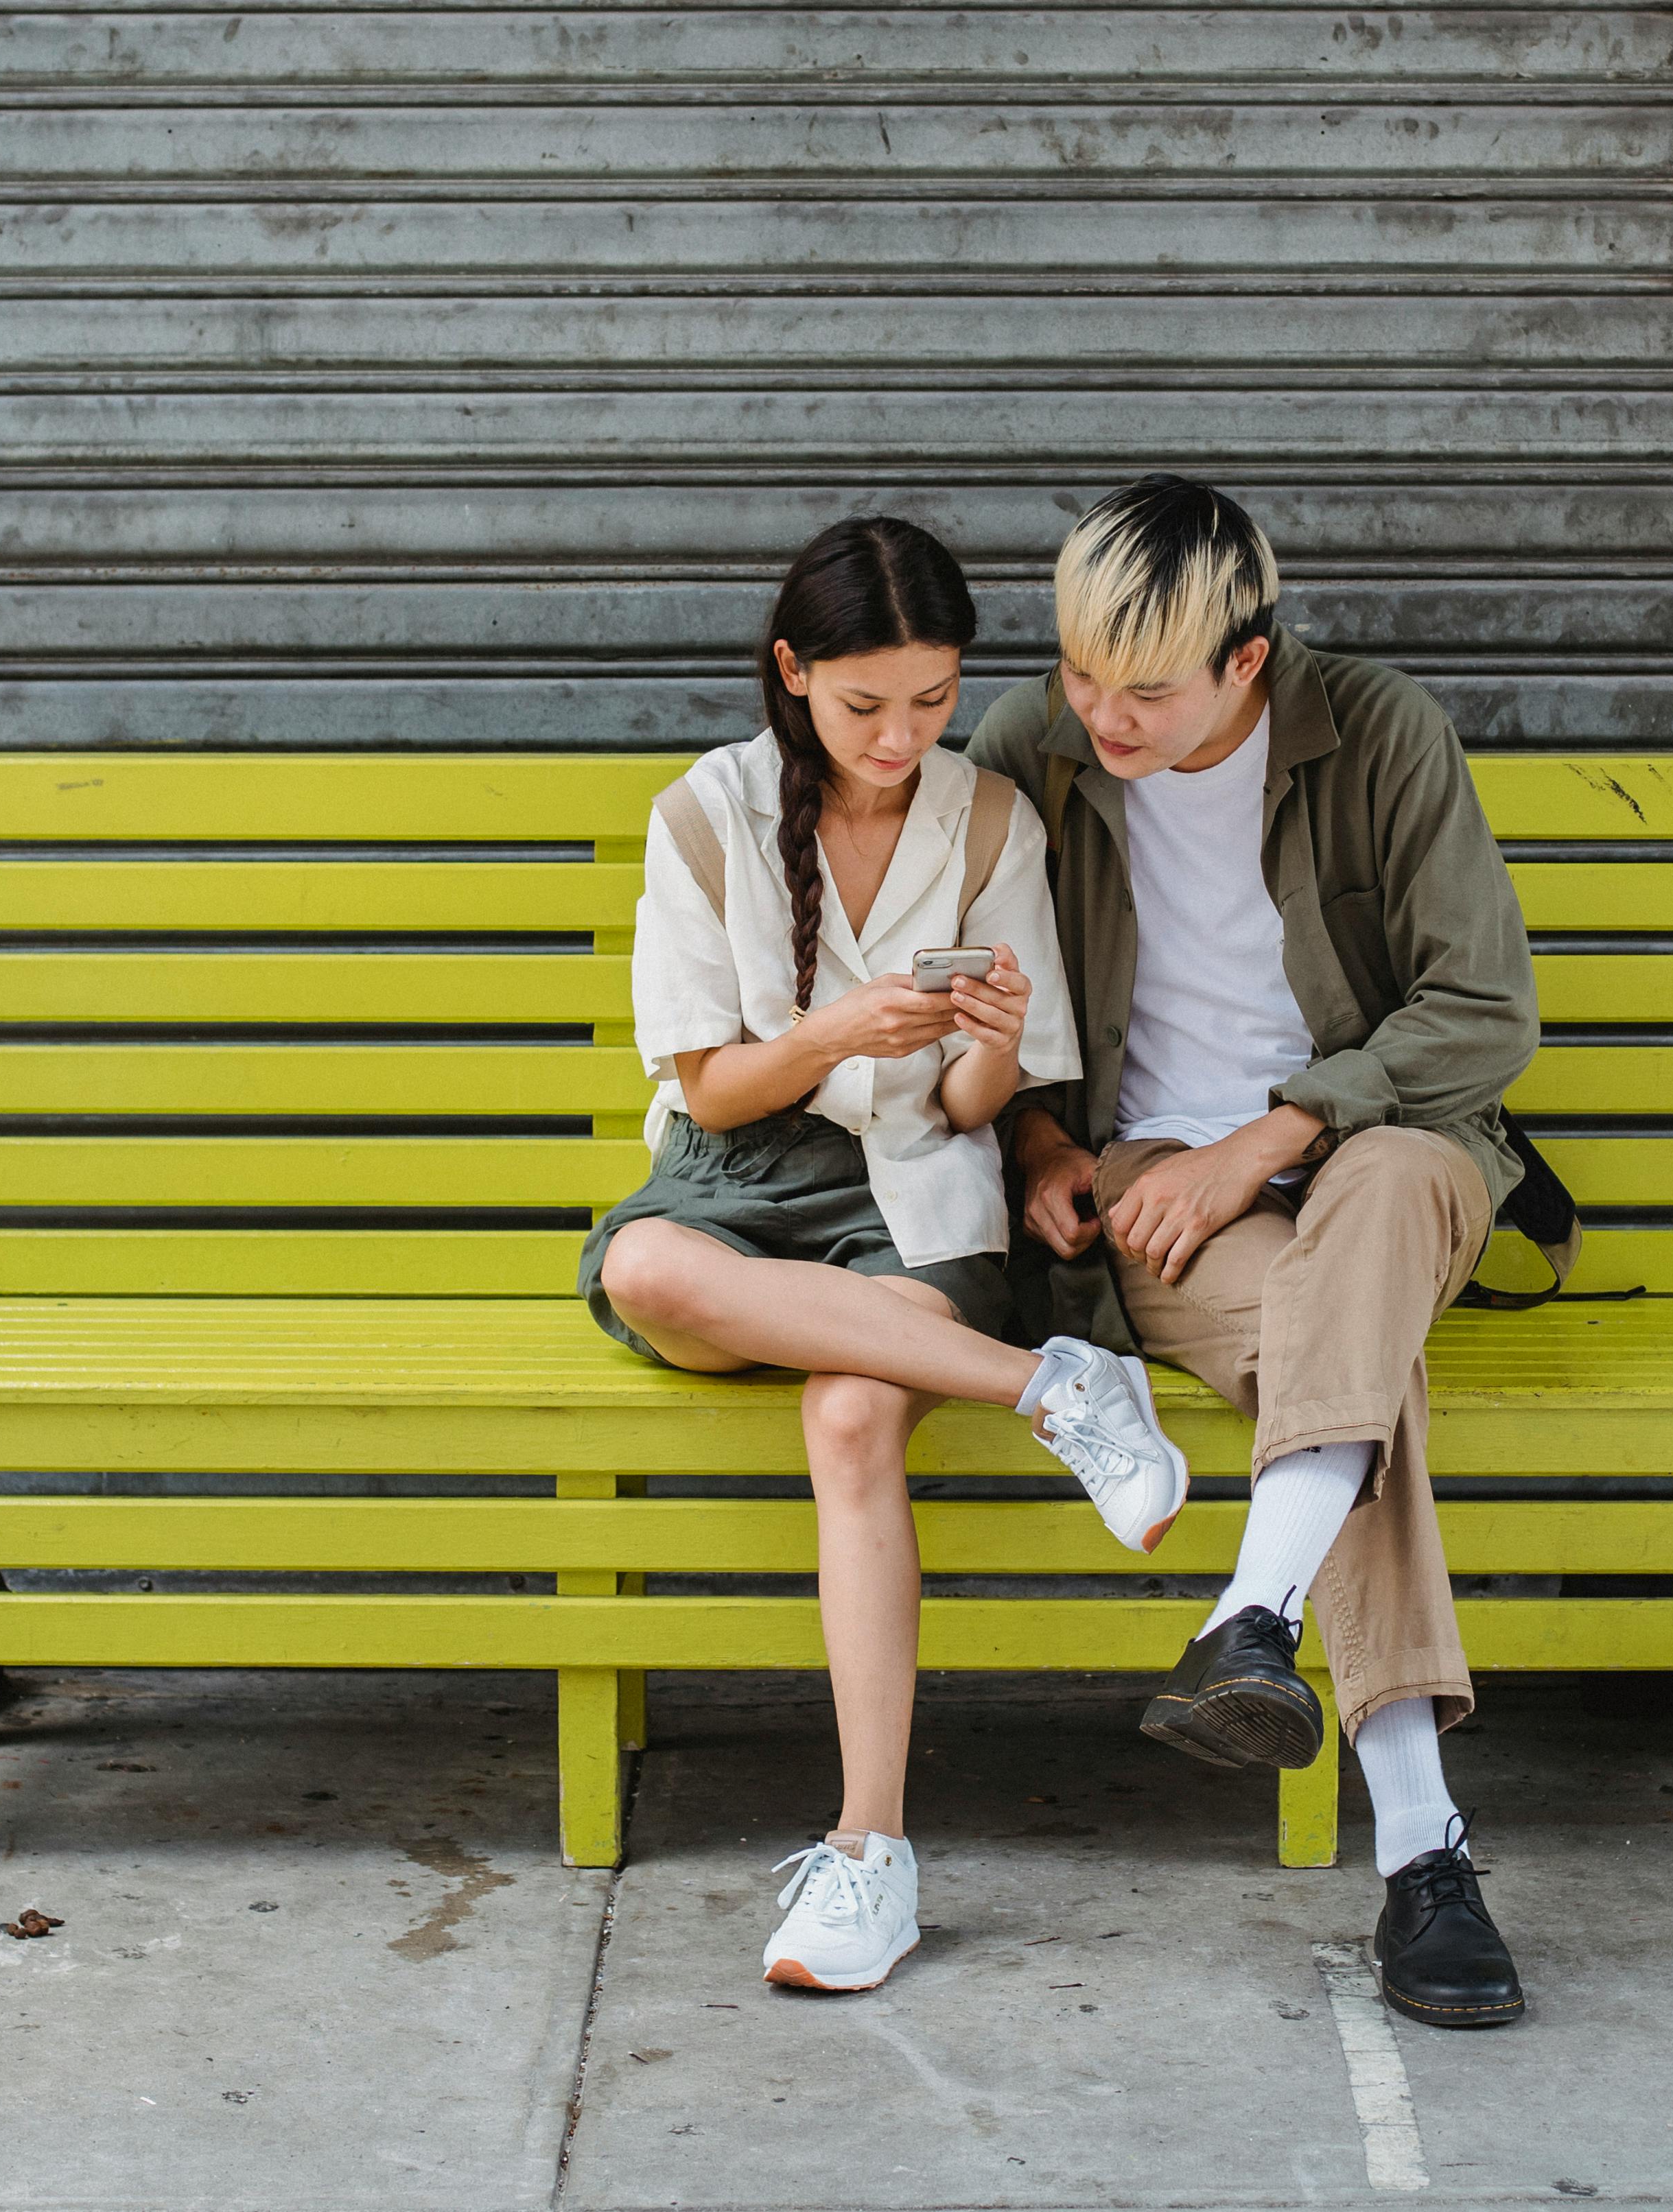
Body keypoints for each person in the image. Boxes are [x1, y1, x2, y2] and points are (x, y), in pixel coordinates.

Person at [581, 517, 1195, 1996]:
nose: (902, 734)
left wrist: (986, 1051)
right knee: (644, 1271)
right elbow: (710, 1087)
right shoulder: (706, 814)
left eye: (932, 698)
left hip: (918, 1184)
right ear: (793, 674)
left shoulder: (990, 819)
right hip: (740, 1171)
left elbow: (990, 1107)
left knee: (850, 1412)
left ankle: (871, 1854)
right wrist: (830, 1035)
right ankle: (1052, 1385)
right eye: (865, 704)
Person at [968, 478, 1537, 2028]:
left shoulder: (1380, 731)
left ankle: (1260, 1618)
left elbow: (1483, 1016)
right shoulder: (1031, 748)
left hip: (1383, 1152)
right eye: (1081, 674)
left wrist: (1273, 1138)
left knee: (1387, 1193)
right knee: (1346, 1378)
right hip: (1150, 1183)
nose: (1102, 714)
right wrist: (1037, 1144)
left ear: (1252, 660)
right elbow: (966, 999)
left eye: (1144, 688)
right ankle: (1422, 1847)